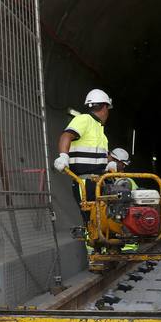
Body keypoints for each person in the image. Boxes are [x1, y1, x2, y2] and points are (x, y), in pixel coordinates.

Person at [54, 89, 113, 244]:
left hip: (98, 182)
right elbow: (66, 135)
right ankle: (95, 250)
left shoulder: (99, 130)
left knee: (104, 217)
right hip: (85, 183)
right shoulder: (84, 120)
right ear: (105, 107)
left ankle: (105, 247)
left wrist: (109, 163)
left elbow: (96, 154)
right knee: (91, 219)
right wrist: (63, 156)